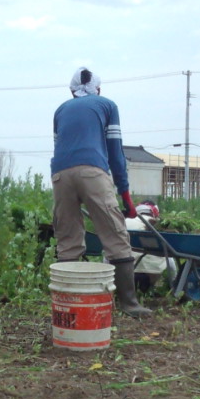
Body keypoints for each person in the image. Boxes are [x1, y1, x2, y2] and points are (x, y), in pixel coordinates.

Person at [51, 66, 150, 316]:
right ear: (98, 89)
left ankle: (70, 303)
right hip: (93, 171)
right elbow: (115, 151)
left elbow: (58, 147)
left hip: (60, 175)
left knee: (68, 240)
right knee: (115, 235)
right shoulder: (107, 105)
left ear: (72, 91)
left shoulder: (60, 110)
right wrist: (125, 195)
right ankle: (129, 304)